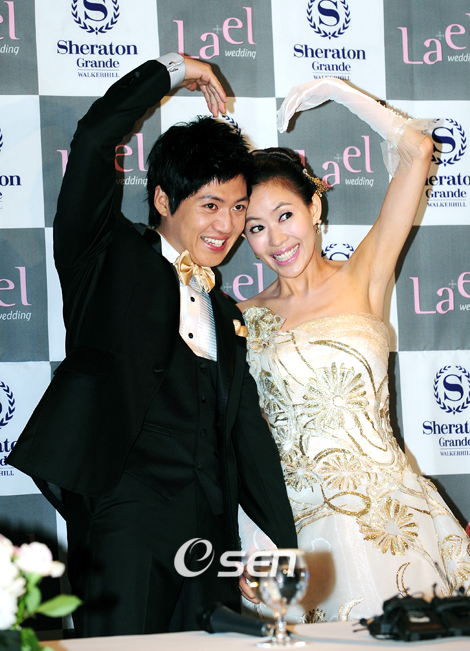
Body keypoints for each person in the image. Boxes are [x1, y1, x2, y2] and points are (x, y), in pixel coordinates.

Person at [8, 54, 297, 636]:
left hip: (213, 535)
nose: (227, 226)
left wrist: (277, 542)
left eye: (239, 208)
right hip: (125, 521)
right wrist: (175, 70)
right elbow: (94, 138)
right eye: (210, 205)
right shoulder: (103, 255)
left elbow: (244, 432)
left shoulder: (225, 311)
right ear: (164, 200)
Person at [237, 78, 470, 622]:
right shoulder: (240, 318)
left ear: (314, 206)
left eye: (285, 215)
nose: (276, 240)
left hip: (394, 521)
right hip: (301, 534)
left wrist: (340, 91)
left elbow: (418, 150)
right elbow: (245, 444)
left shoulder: (364, 275)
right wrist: (253, 542)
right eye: (256, 228)